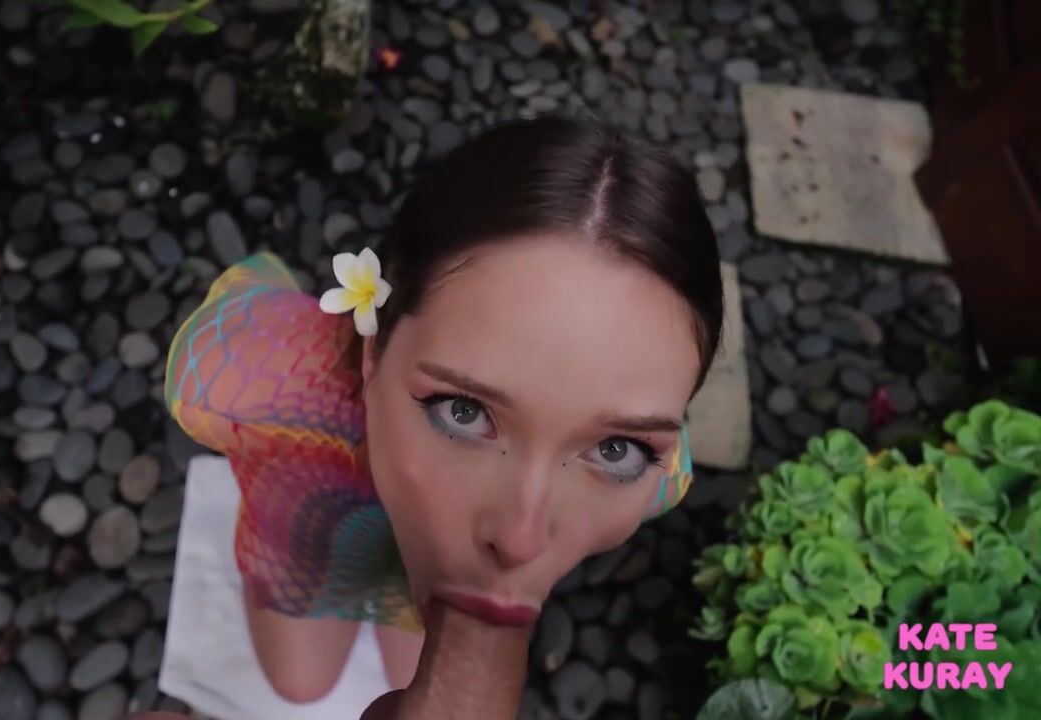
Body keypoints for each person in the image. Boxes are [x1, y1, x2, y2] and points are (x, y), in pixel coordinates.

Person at [160, 112, 723, 714]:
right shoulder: (260, 386)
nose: (520, 539)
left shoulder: (660, 478)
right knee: (300, 683)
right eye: (463, 411)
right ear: (375, 349)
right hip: (311, 539)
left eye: (616, 450)